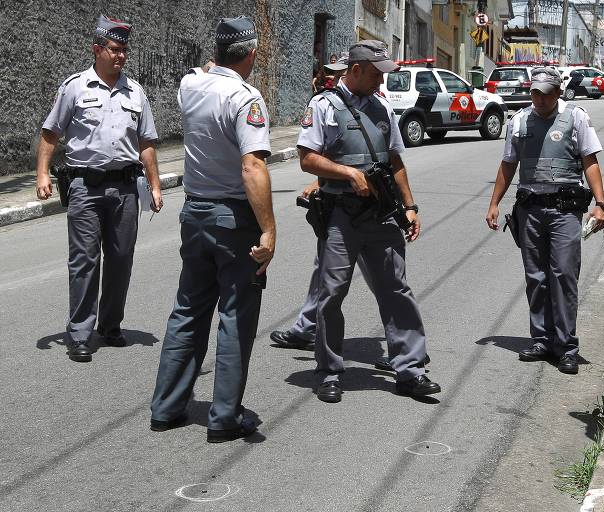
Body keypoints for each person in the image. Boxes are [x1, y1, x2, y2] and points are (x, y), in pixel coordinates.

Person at [150, 16, 276, 443]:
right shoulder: (245, 98)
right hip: (233, 220)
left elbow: (200, 71)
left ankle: (166, 408)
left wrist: (211, 66)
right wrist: (269, 230)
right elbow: (253, 166)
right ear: (252, 54)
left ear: (218, 52)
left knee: (188, 310)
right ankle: (223, 418)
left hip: (195, 214)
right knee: (236, 318)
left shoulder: (191, 86)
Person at [296, 40, 441, 403]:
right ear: (356, 69)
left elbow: (395, 162)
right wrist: (347, 173)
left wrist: (410, 206)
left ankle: (410, 369)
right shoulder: (324, 106)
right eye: (376, 73)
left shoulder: (383, 108)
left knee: (396, 288)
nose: (381, 81)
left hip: (381, 215)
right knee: (332, 292)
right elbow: (307, 159)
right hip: (341, 216)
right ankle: (329, 371)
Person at [35, 15, 163, 363]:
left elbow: (147, 142)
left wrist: (154, 184)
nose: (120, 56)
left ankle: (110, 325)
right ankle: (79, 332)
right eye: (114, 49)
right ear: (97, 49)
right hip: (85, 188)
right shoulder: (75, 87)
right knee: (84, 262)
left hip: (124, 189)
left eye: (124, 51)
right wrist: (42, 174)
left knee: (121, 259)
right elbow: (50, 133)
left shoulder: (135, 92)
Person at [485, 66, 604, 375]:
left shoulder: (576, 118)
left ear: (558, 92)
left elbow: (590, 161)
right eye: (535, 93)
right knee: (536, 278)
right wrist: (494, 203)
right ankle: (541, 340)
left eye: (546, 93)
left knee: (563, 275)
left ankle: (567, 346)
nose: (540, 99)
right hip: (531, 211)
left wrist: (601, 203)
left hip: (565, 210)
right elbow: (508, 164)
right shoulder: (519, 121)